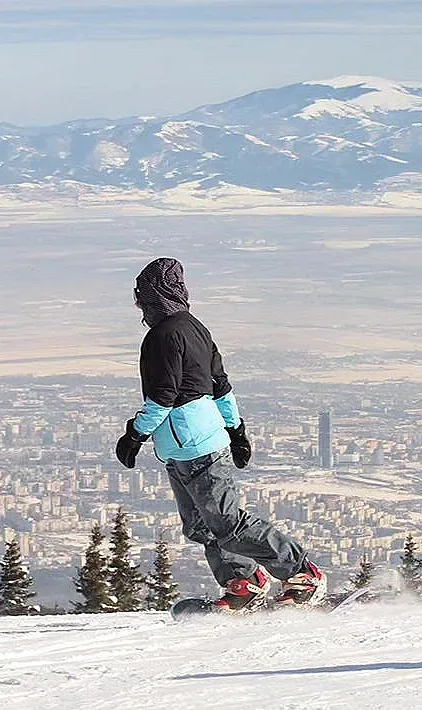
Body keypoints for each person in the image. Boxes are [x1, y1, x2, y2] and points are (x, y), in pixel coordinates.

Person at [115, 257, 326, 612]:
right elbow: (221, 386)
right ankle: (242, 583)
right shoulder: (196, 328)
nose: (138, 305)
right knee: (202, 525)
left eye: (141, 297)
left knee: (227, 523)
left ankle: (302, 572)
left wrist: (135, 434)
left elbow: (163, 396)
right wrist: (236, 429)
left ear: (152, 297)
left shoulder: (161, 337)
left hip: (197, 446)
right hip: (183, 448)